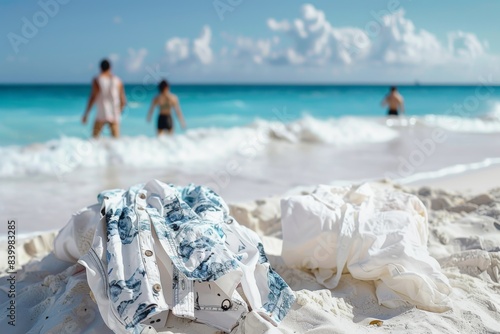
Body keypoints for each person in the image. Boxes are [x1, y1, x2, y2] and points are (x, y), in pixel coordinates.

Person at [82, 59, 126, 138]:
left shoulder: (97, 80)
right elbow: (123, 101)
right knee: (116, 140)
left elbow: (93, 97)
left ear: (100, 68)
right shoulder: (118, 81)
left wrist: (86, 113)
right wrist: (119, 111)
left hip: (101, 113)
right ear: (110, 67)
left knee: (94, 139)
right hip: (114, 113)